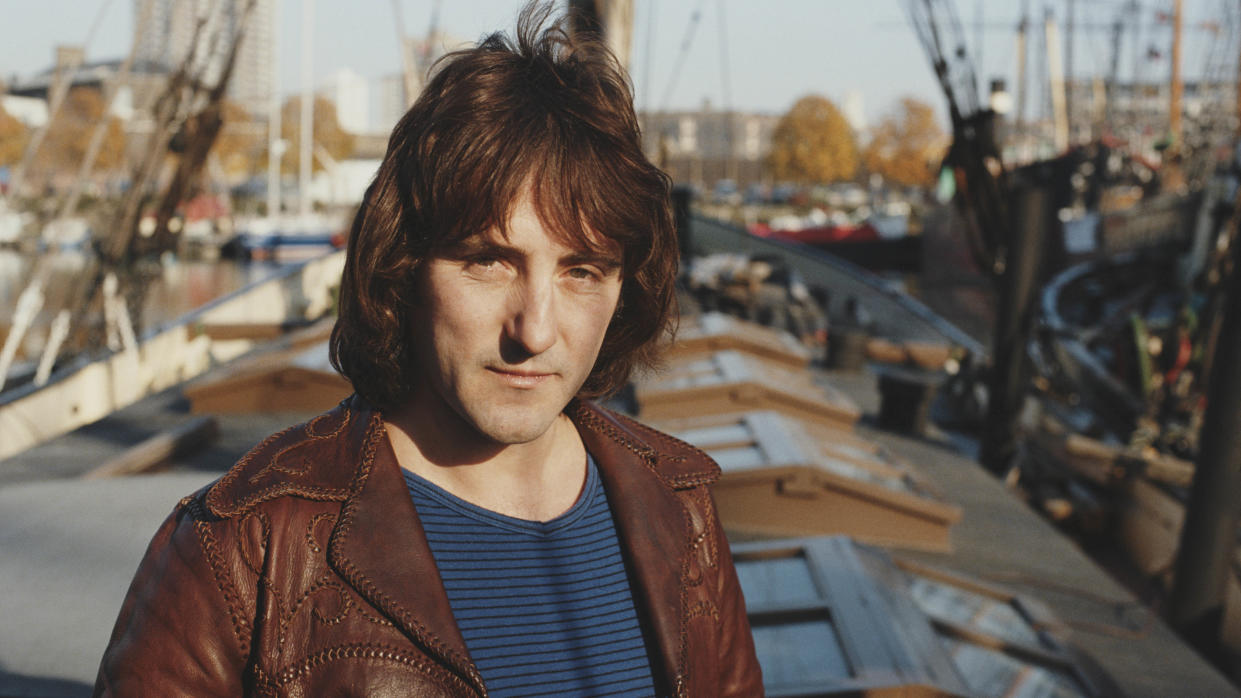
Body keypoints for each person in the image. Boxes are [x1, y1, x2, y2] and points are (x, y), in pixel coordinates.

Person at [94, 4, 762, 696]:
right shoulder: (244, 547)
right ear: (404, 264)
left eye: (580, 272)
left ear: (622, 289)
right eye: (487, 263)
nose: (534, 332)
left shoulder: (681, 509)